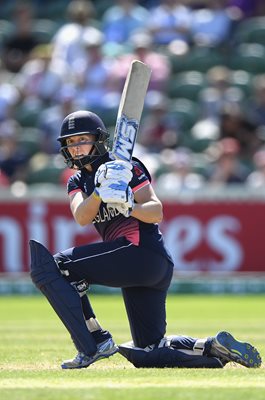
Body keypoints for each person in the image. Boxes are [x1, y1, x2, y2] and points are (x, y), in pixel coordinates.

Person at [29, 110, 262, 369]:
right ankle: (212, 346)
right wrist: (99, 193)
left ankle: (94, 342)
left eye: (81, 139)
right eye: (70, 142)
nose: (75, 147)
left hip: (142, 253)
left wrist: (128, 205)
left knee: (55, 266)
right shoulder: (77, 181)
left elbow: (156, 211)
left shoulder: (128, 166)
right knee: (147, 351)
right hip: (142, 266)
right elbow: (82, 217)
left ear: (97, 139)